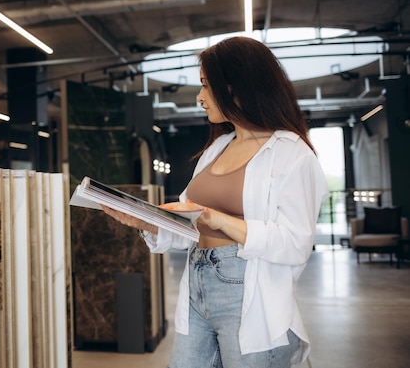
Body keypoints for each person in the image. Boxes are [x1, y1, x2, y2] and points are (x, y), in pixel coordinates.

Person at [103, 36, 329, 368]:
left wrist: (220, 220)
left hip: (246, 291)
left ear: (236, 87)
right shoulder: (216, 148)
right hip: (198, 284)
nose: (199, 97)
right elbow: (192, 225)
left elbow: (295, 243)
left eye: (206, 86)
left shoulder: (291, 153)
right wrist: (147, 222)